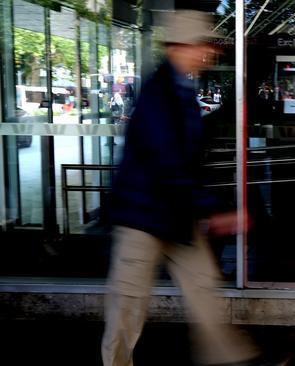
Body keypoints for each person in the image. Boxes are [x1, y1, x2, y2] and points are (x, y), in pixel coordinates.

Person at [101, 10, 276, 366]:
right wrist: (213, 209)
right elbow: (168, 165)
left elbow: (186, 157)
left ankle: (229, 357)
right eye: (202, 46)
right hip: (144, 216)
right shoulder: (159, 94)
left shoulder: (179, 88)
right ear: (180, 47)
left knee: (202, 287)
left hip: (175, 214)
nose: (208, 53)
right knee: (128, 305)